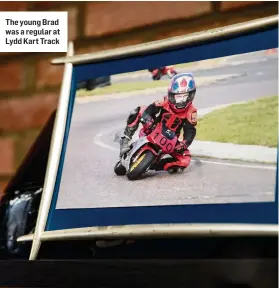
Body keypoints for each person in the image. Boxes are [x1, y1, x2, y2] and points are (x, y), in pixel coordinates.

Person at [119, 73, 198, 174]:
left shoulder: (191, 112)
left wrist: (184, 143)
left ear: (191, 96)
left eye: (184, 97)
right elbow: (149, 110)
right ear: (171, 95)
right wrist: (148, 120)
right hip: (153, 129)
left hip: (170, 141)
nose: (180, 101)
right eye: (178, 97)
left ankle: (156, 164)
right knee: (140, 110)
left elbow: (190, 131)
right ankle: (125, 140)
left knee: (185, 160)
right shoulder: (164, 101)